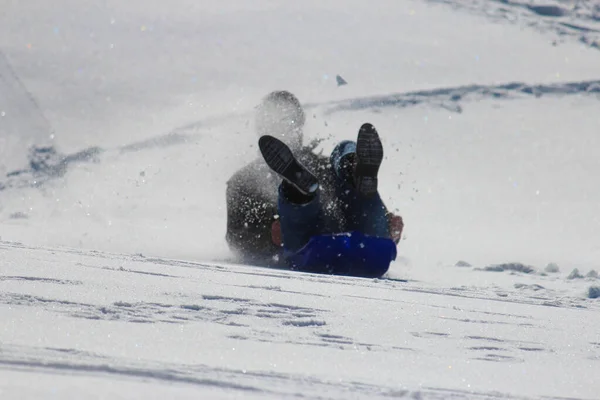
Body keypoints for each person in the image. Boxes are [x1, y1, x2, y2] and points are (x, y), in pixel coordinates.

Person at [226, 90, 403, 272]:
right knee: (297, 212)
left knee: (341, 156)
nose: (290, 129)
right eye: (279, 123)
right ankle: (298, 193)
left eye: (292, 122)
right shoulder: (245, 180)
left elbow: (359, 200)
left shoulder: (325, 165)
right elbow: (237, 238)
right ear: (264, 129)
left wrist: (388, 222)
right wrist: (268, 236)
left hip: (349, 238)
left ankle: (352, 165)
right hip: (307, 247)